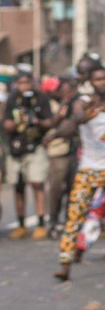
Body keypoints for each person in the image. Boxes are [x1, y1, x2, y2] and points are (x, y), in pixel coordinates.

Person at [53, 65, 105, 281]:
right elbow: (76, 119)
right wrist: (85, 115)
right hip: (88, 168)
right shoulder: (83, 103)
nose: (102, 82)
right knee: (75, 216)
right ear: (91, 82)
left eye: (104, 78)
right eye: (97, 79)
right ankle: (65, 263)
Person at [3, 72, 55, 239]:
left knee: (37, 184)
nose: (24, 86)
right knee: (18, 186)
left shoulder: (41, 98)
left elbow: (50, 122)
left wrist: (37, 121)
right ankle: (21, 224)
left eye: (27, 82)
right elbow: (6, 124)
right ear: (16, 84)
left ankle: (40, 223)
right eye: (21, 83)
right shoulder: (12, 99)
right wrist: (13, 123)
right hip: (16, 148)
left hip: (35, 147)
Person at [41, 77, 80, 235]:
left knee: (73, 187)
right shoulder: (49, 105)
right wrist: (63, 108)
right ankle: (53, 220)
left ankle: (69, 219)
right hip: (58, 151)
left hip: (73, 149)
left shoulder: (73, 102)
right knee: (56, 187)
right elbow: (51, 123)